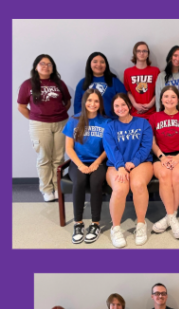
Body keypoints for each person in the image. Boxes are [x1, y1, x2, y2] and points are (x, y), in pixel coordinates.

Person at [102, 92, 154, 248]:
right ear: (113, 108)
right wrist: (120, 166)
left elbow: (146, 147)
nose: (121, 108)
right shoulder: (110, 127)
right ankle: (115, 228)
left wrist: (134, 162)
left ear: (129, 105)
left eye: (123, 104)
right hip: (116, 165)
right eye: (117, 106)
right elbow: (111, 149)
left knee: (137, 184)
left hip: (141, 163)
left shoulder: (143, 123)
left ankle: (141, 225)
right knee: (120, 188)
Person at [18, 54, 71, 201]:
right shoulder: (27, 84)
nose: (46, 67)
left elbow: (67, 102)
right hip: (39, 125)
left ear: (53, 68)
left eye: (49, 64)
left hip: (61, 123)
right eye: (42, 63)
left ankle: (57, 187)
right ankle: (46, 189)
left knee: (59, 158)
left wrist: (58, 114)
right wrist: (36, 118)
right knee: (44, 158)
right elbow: (21, 107)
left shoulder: (59, 83)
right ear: (36, 66)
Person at [63, 89, 108, 243]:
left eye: (96, 101)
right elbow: (69, 148)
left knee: (96, 182)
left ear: (100, 103)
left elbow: (108, 148)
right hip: (78, 162)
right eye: (89, 100)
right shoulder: (74, 120)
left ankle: (95, 224)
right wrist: (80, 165)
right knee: (80, 181)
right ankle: (78, 223)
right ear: (84, 102)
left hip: (99, 161)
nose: (92, 104)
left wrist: (96, 162)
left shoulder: (106, 122)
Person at [148, 86, 179, 240]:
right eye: (166, 96)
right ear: (161, 99)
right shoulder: (154, 117)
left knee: (178, 175)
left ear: (178, 99)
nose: (169, 99)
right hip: (161, 156)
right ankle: (172, 218)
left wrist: (177, 158)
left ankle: (169, 217)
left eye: (173, 96)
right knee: (165, 176)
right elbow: (152, 143)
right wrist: (162, 157)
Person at [74, 52, 126, 119]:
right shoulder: (82, 83)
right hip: (89, 122)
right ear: (90, 64)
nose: (99, 64)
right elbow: (77, 105)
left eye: (102, 62)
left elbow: (124, 101)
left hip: (110, 121)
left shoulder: (115, 81)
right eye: (95, 61)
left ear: (106, 65)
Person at [124, 42, 160, 118]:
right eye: (138, 51)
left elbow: (159, 91)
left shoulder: (155, 71)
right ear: (135, 53)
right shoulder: (128, 72)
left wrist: (150, 105)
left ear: (148, 53)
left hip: (152, 113)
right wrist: (135, 104)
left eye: (144, 51)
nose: (142, 53)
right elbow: (128, 91)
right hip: (135, 113)